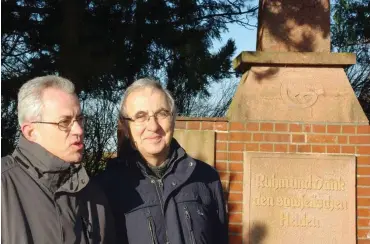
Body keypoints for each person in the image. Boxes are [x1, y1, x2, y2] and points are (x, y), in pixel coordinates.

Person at [98, 78, 228, 244]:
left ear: (173, 119)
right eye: (140, 116)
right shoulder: (106, 188)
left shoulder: (206, 178)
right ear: (125, 126)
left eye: (162, 114)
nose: (153, 126)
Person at [1, 75, 115, 244]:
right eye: (64, 122)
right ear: (31, 132)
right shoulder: (4, 185)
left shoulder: (92, 193)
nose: (78, 130)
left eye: (80, 120)